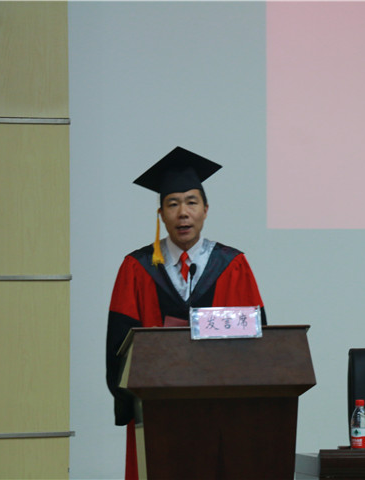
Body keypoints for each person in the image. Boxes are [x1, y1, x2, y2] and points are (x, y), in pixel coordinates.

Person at [105, 146, 266, 480]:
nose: (183, 213)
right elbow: (118, 347)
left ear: (206, 210)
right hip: (155, 407)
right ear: (161, 214)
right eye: (173, 204)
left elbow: (255, 339)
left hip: (219, 407)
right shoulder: (136, 268)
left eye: (191, 202)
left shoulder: (232, 265)